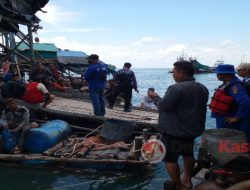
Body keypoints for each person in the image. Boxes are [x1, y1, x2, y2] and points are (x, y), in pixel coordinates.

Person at [148, 60, 209, 190]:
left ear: (181, 73)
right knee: (188, 153)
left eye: (174, 72)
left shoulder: (176, 88)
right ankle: (187, 179)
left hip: (174, 132)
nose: (173, 75)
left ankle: (179, 185)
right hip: (191, 131)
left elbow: (164, 107)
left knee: (170, 159)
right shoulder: (202, 87)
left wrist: (155, 97)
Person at [210, 64, 250, 143]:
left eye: (217, 73)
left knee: (229, 143)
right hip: (225, 119)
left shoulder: (235, 86)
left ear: (223, 74)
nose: (217, 75)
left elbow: (246, 102)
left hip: (230, 122)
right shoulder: (228, 84)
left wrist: (237, 118)